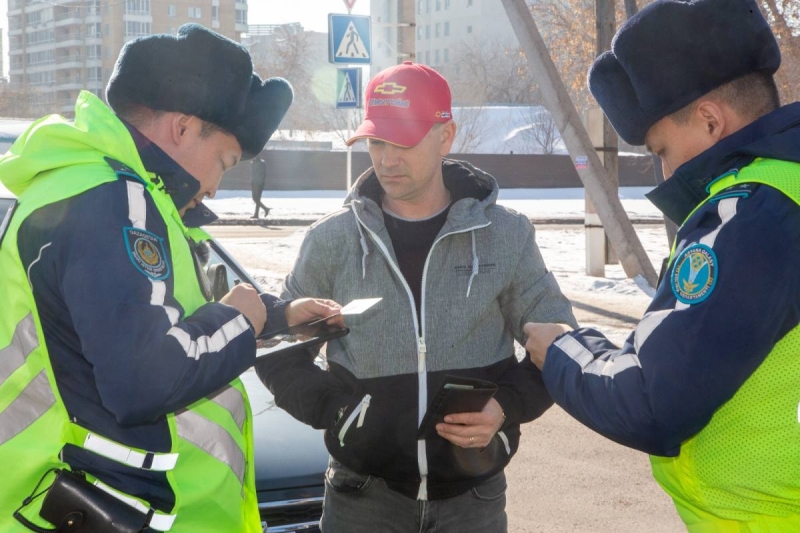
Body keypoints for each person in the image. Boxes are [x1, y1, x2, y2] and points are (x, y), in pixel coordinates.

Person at [0, 24, 342, 533]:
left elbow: (156, 316)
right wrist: (239, 322)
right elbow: (144, 378)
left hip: (69, 500)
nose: (216, 187)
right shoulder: (115, 200)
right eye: (224, 162)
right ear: (182, 129)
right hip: (117, 507)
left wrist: (274, 316)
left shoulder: (92, 188)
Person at [257, 62, 576, 532]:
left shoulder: (504, 235)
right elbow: (278, 348)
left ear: (445, 136)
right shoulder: (332, 240)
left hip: (474, 497)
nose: (386, 160)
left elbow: (558, 341)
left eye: (402, 142)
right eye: (376, 142)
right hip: (361, 498)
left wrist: (506, 404)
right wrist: (338, 412)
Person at [523, 0, 800, 530]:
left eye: (662, 148)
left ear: (712, 121)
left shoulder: (751, 213)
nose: (666, 168)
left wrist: (561, 349)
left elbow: (651, 401)